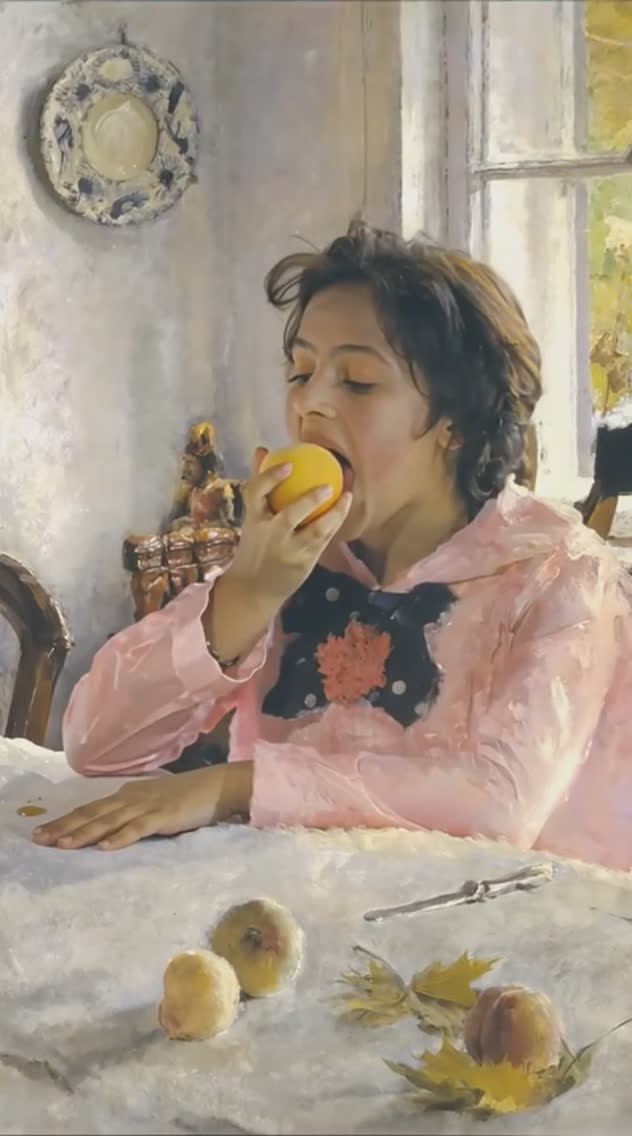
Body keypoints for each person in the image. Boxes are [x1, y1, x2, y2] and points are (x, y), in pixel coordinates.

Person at [33, 220, 632, 870]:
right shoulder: (287, 552)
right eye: (300, 372)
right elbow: (97, 746)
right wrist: (244, 597)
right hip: (280, 906)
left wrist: (235, 787)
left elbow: (498, 804)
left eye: (359, 381)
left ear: (456, 423)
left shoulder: (559, 570)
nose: (310, 404)